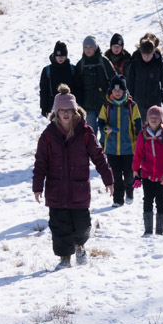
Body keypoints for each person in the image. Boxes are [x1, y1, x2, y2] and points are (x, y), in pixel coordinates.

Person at [32, 85, 114, 269]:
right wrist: (37, 186)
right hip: (56, 190)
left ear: (75, 111)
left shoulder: (85, 132)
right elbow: (40, 162)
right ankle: (64, 259)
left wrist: (108, 179)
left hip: (79, 189)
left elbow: (98, 157)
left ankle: (79, 246)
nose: (66, 114)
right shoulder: (48, 135)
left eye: (69, 110)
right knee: (59, 226)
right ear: (56, 112)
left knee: (82, 225)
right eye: (62, 110)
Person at [97, 75, 142, 207]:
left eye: (120, 90)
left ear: (124, 91)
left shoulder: (131, 106)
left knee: (128, 174)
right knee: (116, 176)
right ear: (111, 90)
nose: (117, 92)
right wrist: (106, 129)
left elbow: (138, 125)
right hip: (112, 148)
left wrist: (139, 143)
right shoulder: (106, 106)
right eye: (115, 90)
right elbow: (101, 122)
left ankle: (129, 192)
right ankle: (118, 200)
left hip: (129, 148)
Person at [132, 106, 163, 236]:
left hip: (162, 176)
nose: (153, 119)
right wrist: (135, 170)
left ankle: (159, 231)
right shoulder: (143, 135)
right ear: (147, 119)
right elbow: (138, 154)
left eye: (156, 117)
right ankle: (148, 230)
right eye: (151, 117)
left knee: (161, 201)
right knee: (147, 200)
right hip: (147, 174)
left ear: (161, 119)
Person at [126, 33, 163, 117]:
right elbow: (129, 84)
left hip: (154, 105)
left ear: (153, 52)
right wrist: (128, 101)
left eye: (149, 55)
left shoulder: (158, 64)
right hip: (137, 105)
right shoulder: (135, 64)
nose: (146, 57)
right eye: (144, 55)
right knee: (139, 125)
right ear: (140, 53)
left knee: (154, 124)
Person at [75, 35, 117, 141]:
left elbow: (114, 78)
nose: (88, 50)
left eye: (90, 47)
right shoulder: (81, 64)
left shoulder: (104, 61)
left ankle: (104, 149)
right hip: (88, 106)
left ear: (95, 47)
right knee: (91, 133)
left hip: (104, 104)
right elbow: (77, 85)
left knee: (105, 132)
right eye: (85, 47)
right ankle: (93, 150)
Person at [40, 40, 79, 117]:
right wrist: (43, 107)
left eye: (63, 56)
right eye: (58, 56)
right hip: (53, 107)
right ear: (54, 56)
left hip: (70, 107)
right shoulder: (47, 70)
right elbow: (44, 90)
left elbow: (78, 88)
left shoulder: (72, 69)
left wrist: (78, 105)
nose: (60, 58)